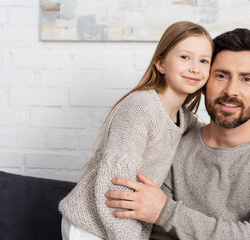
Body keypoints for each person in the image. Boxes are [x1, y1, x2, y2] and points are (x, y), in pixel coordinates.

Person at [104, 28, 250, 240]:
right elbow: (153, 230)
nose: (231, 90)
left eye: (246, 79)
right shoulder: (173, 142)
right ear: (204, 83)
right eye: (221, 76)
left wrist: (165, 212)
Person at [58, 21, 213, 240]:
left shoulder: (182, 117)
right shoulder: (141, 108)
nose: (195, 67)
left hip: (119, 225)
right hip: (91, 225)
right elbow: (112, 186)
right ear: (161, 64)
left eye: (204, 60)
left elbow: (213, 135)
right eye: (185, 57)